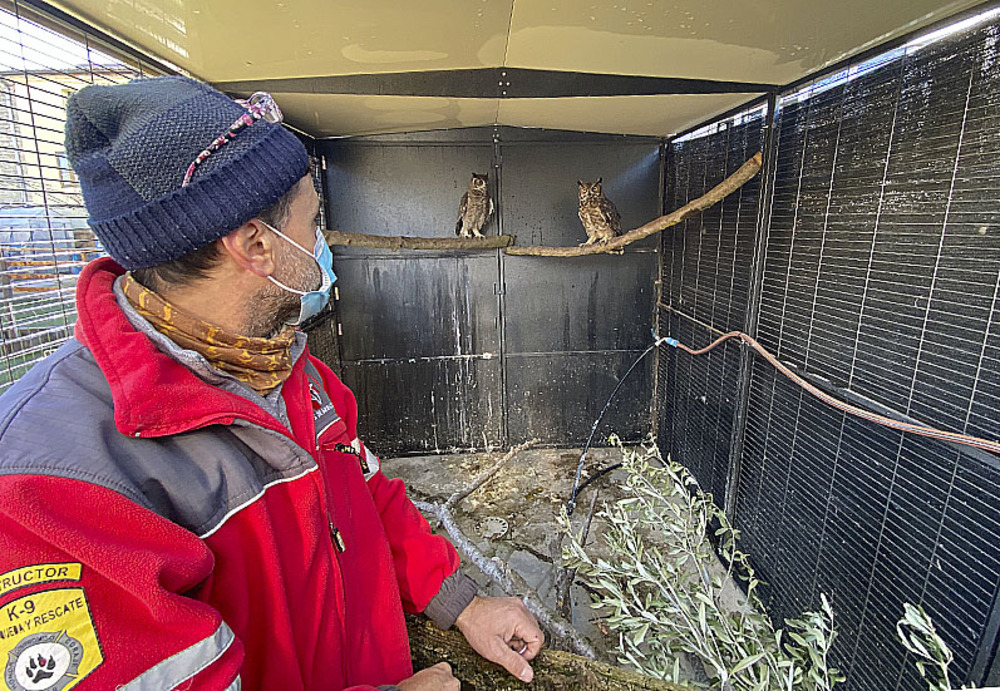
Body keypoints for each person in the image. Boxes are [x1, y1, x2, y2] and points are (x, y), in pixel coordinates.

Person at [0, 75, 543, 690]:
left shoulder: (284, 366)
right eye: (313, 221)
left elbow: (365, 494)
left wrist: (460, 602)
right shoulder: (49, 486)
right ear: (256, 245)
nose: (321, 243)